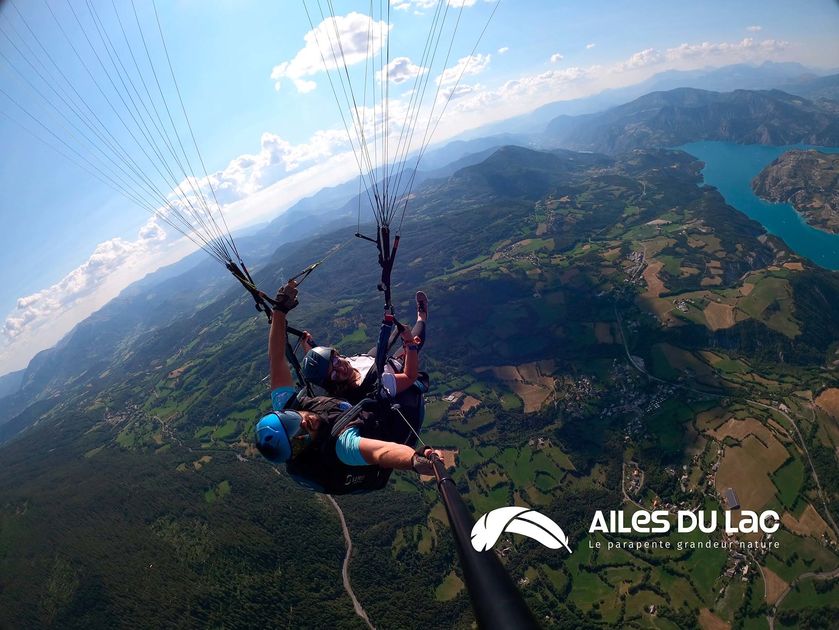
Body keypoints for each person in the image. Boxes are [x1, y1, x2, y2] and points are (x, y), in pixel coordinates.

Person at [254, 281, 437, 494]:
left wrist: (279, 311)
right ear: (298, 450)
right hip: (387, 414)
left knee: (387, 353)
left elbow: (276, 359)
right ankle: (422, 317)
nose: (305, 422)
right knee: (410, 346)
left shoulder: (287, 402)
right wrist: (414, 460)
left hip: (365, 379)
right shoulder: (340, 444)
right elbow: (380, 452)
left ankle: (420, 320)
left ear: (285, 413)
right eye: (299, 435)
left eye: (293, 420)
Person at [300, 291, 428, 404]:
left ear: (337, 355)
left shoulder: (339, 375)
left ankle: (396, 331)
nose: (340, 369)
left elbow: (324, 368)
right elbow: (410, 377)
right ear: (332, 383)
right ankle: (421, 315)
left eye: (335, 361)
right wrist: (410, 343)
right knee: (415, 339)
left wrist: (310, 349)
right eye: (334, 374)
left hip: (368, 361)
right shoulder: (376, 385)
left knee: (384, 343)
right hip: (385, 369)